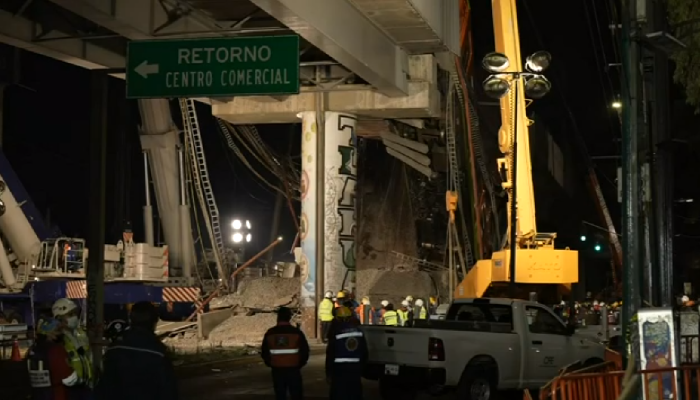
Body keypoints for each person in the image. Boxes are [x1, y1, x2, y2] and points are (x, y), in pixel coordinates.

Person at [95, 301, 178, 400]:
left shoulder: (114, 349)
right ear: (154, 322)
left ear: (131, 320)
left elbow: (104, 386)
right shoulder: (159, 353)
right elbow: (168, 391)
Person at [261, 307, 310, 400]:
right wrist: (299, 364)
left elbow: (264, 352)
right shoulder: (296, 333)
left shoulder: (270, 333)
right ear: (289, 317)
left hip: (277, 369)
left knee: (280, 395)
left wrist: (271, 363)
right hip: (293, 369)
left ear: (278, 318)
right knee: (296, 394)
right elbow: (305, 351)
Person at [26, 317, 80, 400]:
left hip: (37, 394)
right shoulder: (56, 350)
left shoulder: (33, 349)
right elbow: (68, 377)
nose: (61, 333)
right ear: (49, 333)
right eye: (57, 331)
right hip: (55, 394)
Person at [51, 298, 93, 396]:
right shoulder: (57, 339)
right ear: (59, 318)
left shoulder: (81, 333)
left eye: (75, 314)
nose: (74, 317)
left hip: (86, 385)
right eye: (70, 315)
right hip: (70, 390)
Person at [326, 306, 368, 400]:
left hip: (339, 368)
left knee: (339, 392)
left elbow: (331, 353)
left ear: (337, 318)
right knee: (354, 392)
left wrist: (328, 372)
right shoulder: (359, 332)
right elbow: (364, 351)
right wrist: (362, 366)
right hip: (355, 367)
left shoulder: (336, 332)